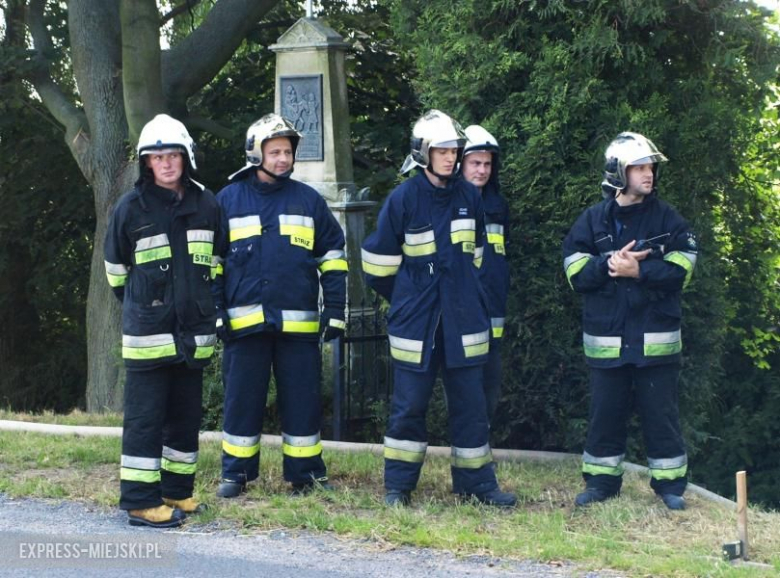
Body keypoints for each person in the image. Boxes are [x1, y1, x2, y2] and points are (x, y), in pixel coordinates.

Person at [362, 110, 516, 508]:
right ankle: (398, 487)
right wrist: (409, 297)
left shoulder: (469, 197)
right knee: (409, 407)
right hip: (418, 324)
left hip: (463, 321)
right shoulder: (403, 199)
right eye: (443, 151)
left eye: (454, 151)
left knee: (471, 406)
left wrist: (465, 296)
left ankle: (477, 486)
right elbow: (376, 265)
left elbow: (478, 258)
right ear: (423, 154)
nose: (451, 158)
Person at [212, 113, 347, 498]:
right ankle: (235, 474)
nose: (283, 159)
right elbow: (211, 263)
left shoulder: (309, 201)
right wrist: (215, 311)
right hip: (244, 327)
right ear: (256, 154)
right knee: (241, 402)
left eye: (287, 152)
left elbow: (334, 258)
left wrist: (335, 310)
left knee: (303, 404)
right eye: (275, 152)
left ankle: (306, 474)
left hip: (297, 329)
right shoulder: (228, 201)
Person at [562, 132, 698, 510]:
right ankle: (601, 485)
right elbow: (574, 272)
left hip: (656, 341)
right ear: (618, 172)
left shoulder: (668, 219)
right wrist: (609, 266)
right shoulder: (592, 221)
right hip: (608, 339)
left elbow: (683, 270)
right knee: (605, 415)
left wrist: (639, 272)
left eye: (650, 166)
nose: (648, 173)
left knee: (662, 417)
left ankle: (670, 488)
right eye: (639, 167)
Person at [104, 114, 222, 527]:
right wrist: (145, 306)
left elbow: (217, 263)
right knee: (145, 420)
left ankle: (177, 492)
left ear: (186, 157)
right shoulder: (130, 208)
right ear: (146, 163)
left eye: (173, 155)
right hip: (149, 337)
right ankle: (139, 501)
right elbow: (116, 273)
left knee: (185, 420)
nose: (166, 164)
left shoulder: (207, 203)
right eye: (157, 157)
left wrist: (207, 308)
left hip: (193, 335)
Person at [461, 125, 510, 426]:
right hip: (462, 312)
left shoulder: (498, 207)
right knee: (465, 387)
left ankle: (482, 440)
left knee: (490, 385)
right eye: (475, 163)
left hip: (492, 311)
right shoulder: (451, 204)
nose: (482, 170)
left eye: (487, 164)